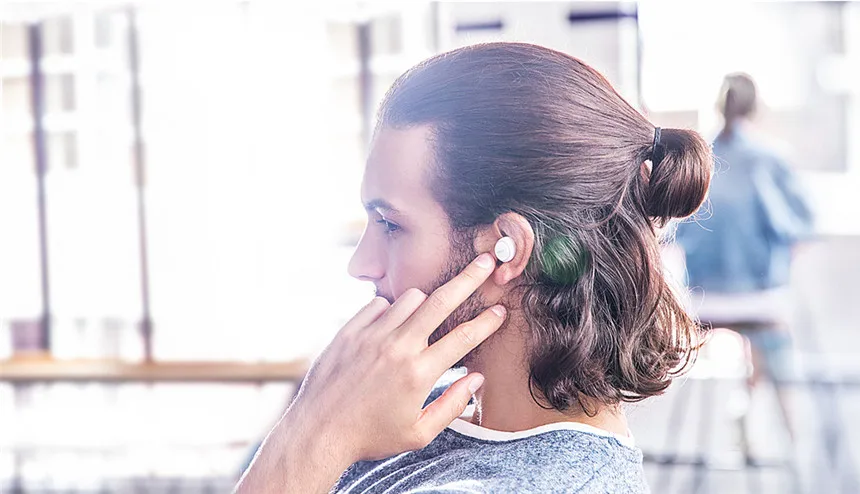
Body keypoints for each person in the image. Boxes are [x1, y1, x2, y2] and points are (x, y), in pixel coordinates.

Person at [237, 42, 713, 493]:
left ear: (507, 248)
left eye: (390, 225)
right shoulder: (409, 404)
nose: (361, 265)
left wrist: (318, 433)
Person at [676, 73, 813, 446]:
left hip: (701, 302)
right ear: (755, 107)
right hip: (756, 299)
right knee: (773, 332)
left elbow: (673, 233)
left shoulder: (697, 157)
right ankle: (791, 436)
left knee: (756, 330)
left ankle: (743, 406)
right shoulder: (770, 158)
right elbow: (802, 227)